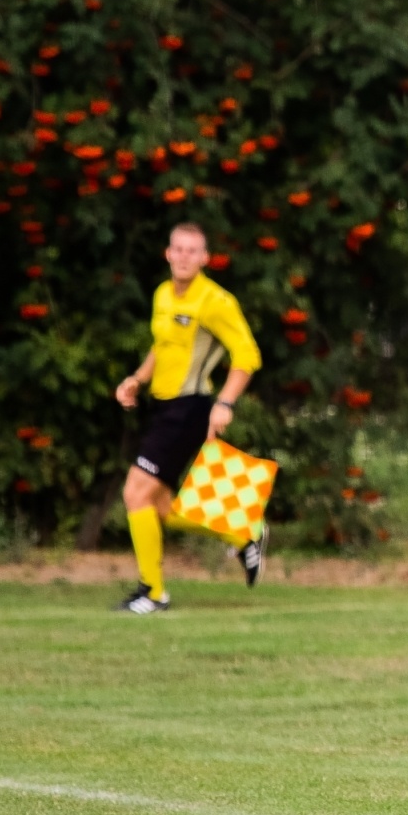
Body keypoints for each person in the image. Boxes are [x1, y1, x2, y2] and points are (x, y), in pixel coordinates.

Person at [115, 223, 263, 614]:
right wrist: (136, 380)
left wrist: (225, 403)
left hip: (190, 408)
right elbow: (161, 347)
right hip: (163, 407)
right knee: (161, 507)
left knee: (135, 492)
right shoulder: (163, 294)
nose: (183, 257)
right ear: (168, 254)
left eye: (192, 250)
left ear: (204, 258)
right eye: (177, 249)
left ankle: (153, 593)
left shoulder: (215, 301)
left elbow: (247, 355)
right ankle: (242, 533)